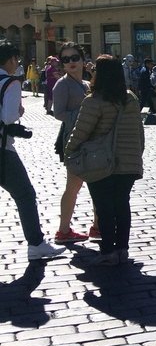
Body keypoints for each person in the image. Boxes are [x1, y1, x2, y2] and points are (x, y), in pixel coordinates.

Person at [64, 55, 144, 266]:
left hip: (100, 162)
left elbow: (80, 132)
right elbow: (139, 132)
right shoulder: (131, 99)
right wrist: (137, 155)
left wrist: (69, 152)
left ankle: (108, 251)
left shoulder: (94, 101)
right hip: (128, 162)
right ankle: (122, 249)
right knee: (121, 205)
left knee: (104, 207)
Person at [0, 40, 66, 262]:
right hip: (3, 151)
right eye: (16, 59)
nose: (17, 63)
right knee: (25, 195)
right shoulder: (10, 83)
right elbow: (9, 118)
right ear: (10, 60)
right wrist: (18, 110)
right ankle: (36, 244)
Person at [52, 43, 101, 245]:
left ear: (82, 59)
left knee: (98, 183)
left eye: (74, 58)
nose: (71, 62)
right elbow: (58, 113)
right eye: (66, 59)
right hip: (75, 140)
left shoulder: (86, 83)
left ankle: (97, 226)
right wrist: (83, 114)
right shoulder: (62, 85)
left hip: (92, 139)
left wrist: (93, 74)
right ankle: (63, 230)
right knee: (73, 185)